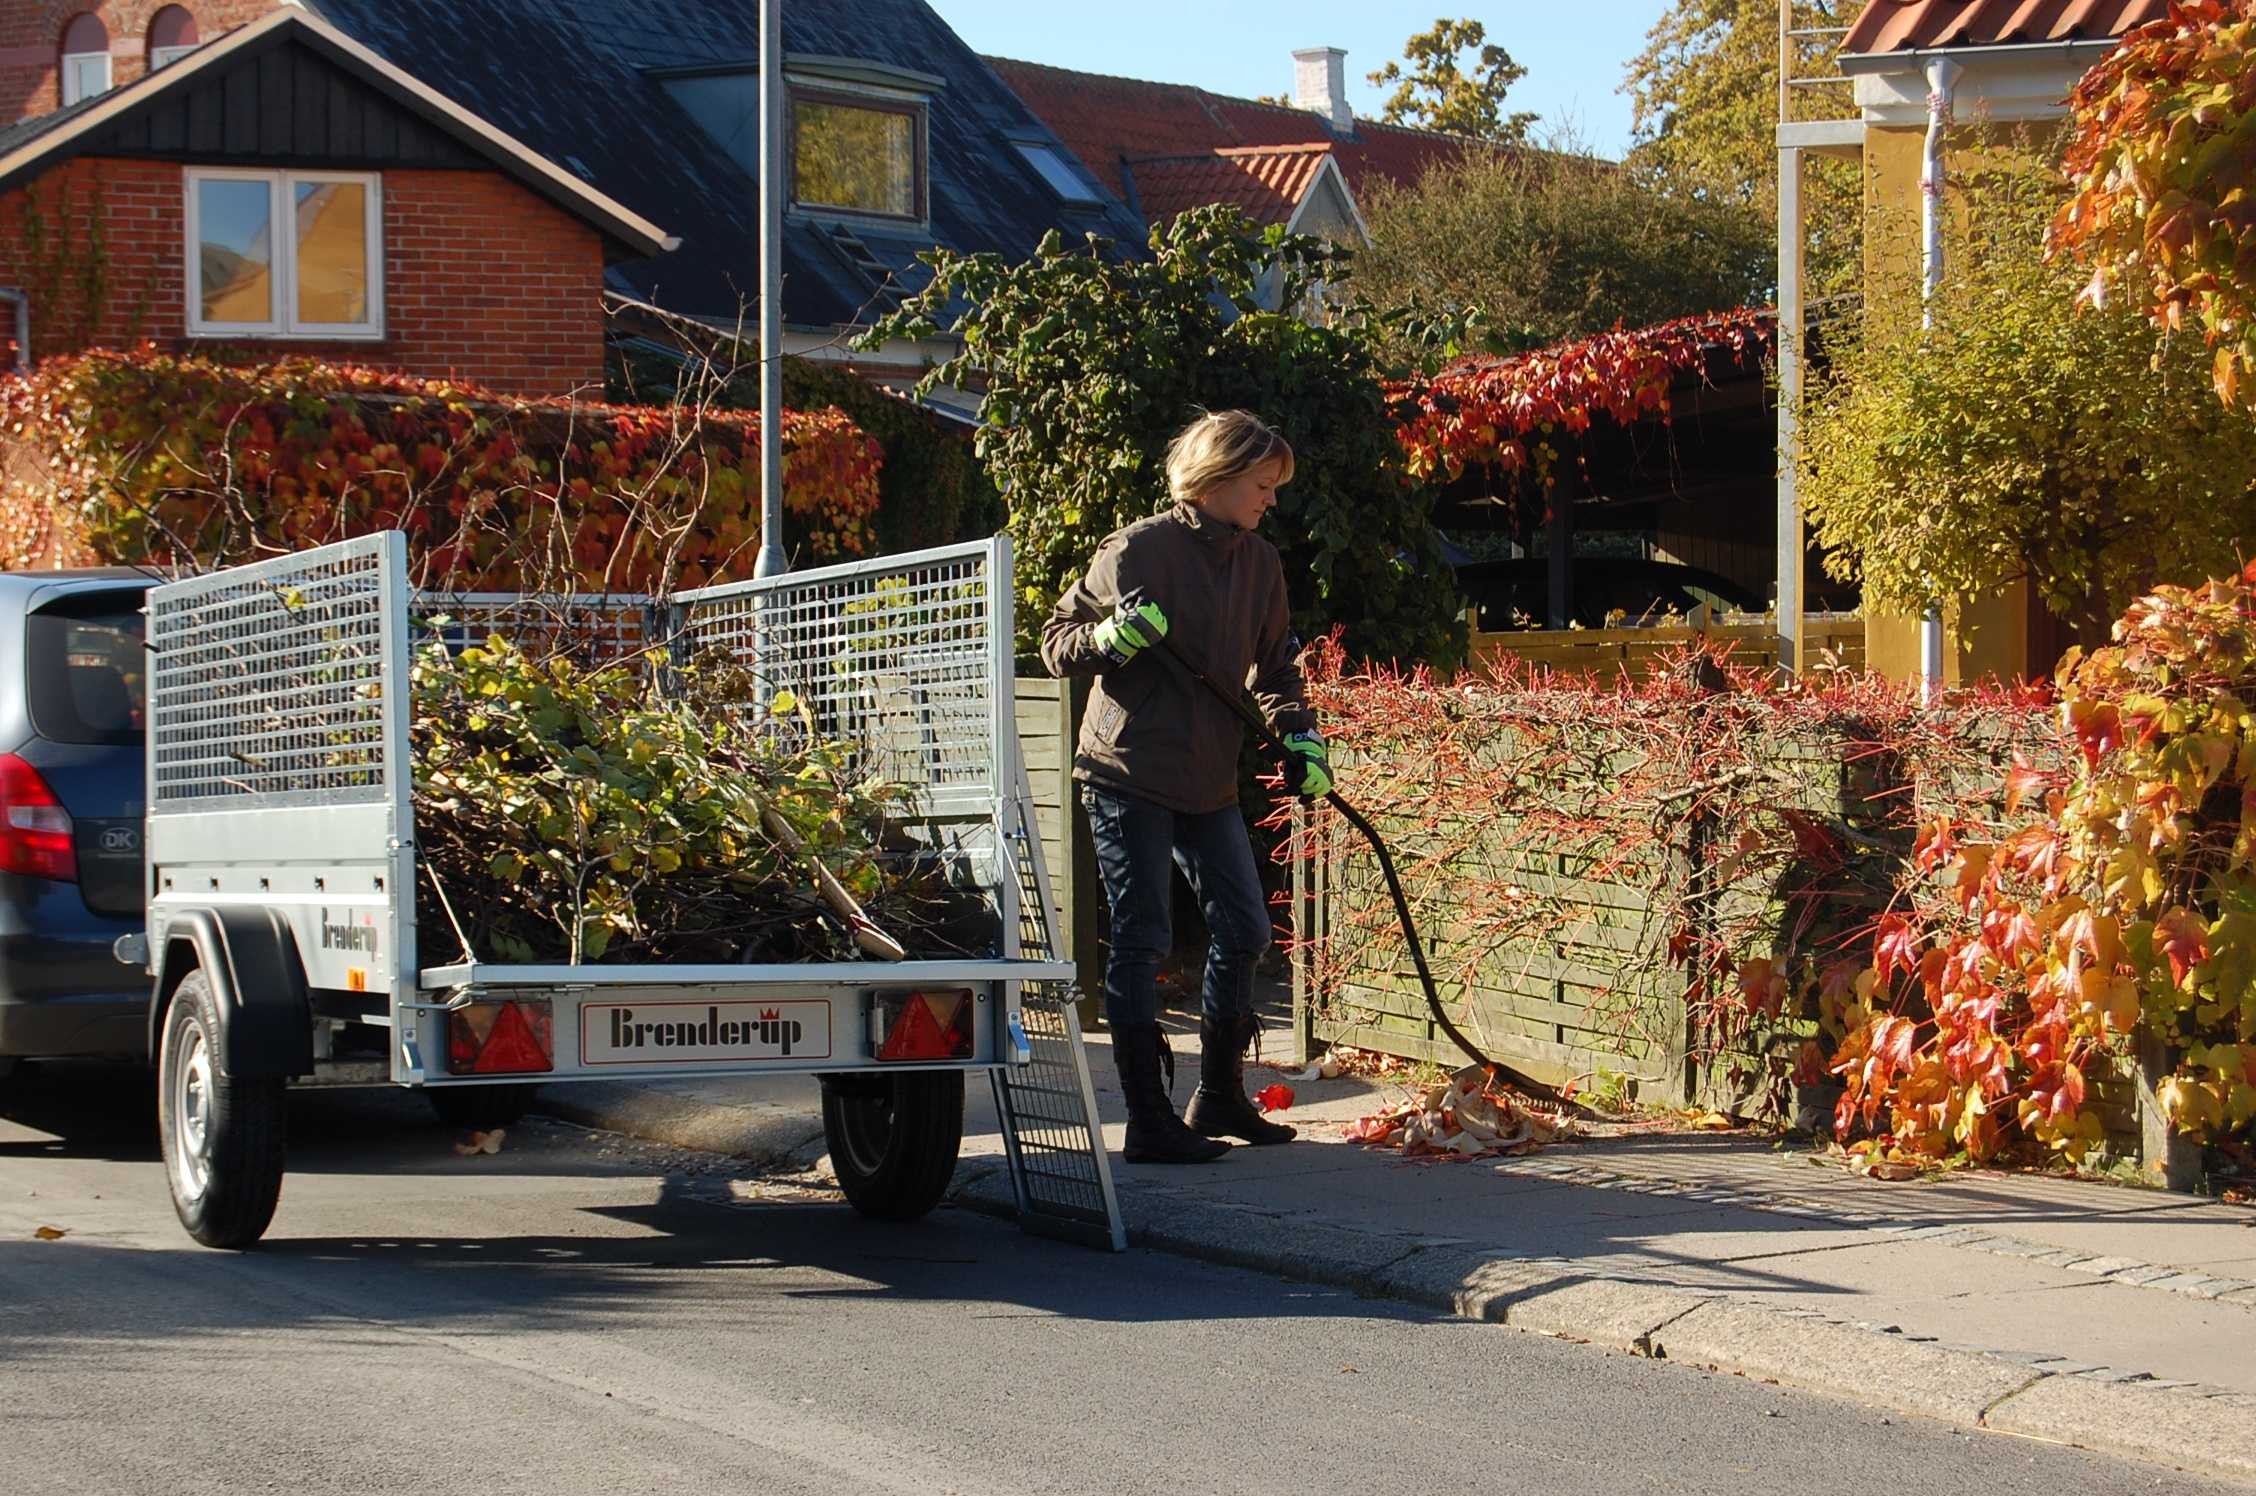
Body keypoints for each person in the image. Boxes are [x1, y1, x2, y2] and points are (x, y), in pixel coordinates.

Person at [1040, 410, 1334, 1164]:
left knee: (1246, 931)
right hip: (1128, 770)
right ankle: (1147, 1118)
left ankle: (1219, 1096)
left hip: (1208, 778)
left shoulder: (1261, 563)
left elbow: (1274, 669)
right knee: (1142, 941)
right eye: (1263, 485)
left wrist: (1299, 735)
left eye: (1275, 488)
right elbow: (1056, 643)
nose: (1271, 498)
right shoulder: (1137, 550)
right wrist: (1107, 639)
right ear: (1217, 477)